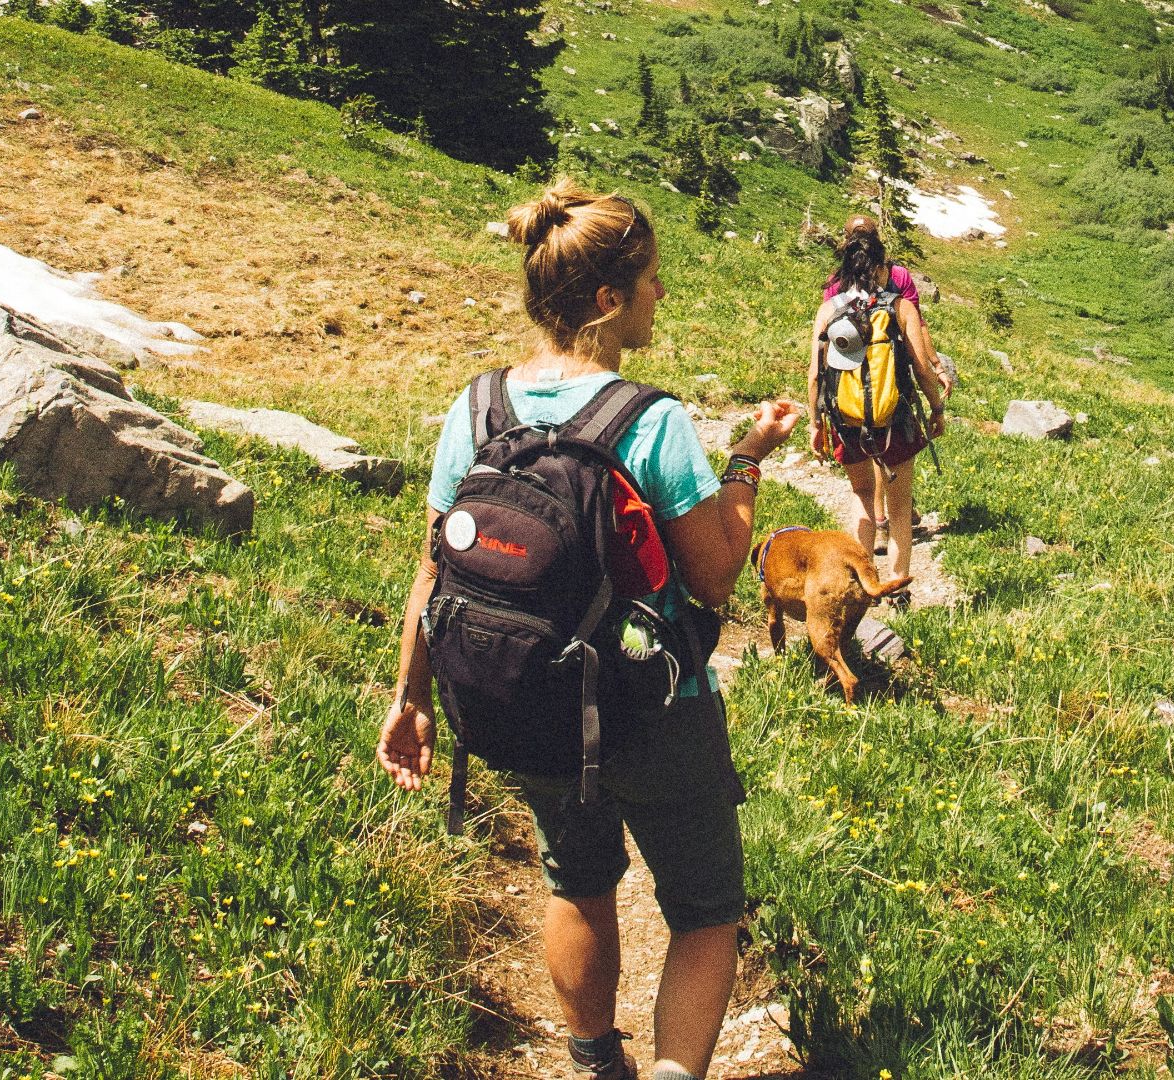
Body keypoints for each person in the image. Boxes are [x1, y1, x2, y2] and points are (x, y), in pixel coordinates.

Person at [377, 179, 799, 1080]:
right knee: (705, 912)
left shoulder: (477, 407)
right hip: (656, 709)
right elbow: (717, 572)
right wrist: (747, 464)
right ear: (609, 302)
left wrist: (408, 698)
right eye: (650, 281)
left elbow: (430, 568)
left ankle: (594, 1061)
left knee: (577, 881)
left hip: (530, 702)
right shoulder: (648, 421)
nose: (661, 297)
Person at [809, 224, 947, 585]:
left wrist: (815, 424)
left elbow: (814, 375)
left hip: (846, 419)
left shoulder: (828, 310)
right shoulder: (900, 308)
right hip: (895, 418)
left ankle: (862, 583)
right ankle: (899, 586)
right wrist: (937, 409)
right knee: (900, 508)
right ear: (882, 267)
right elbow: (920, 367)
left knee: (862, 495)